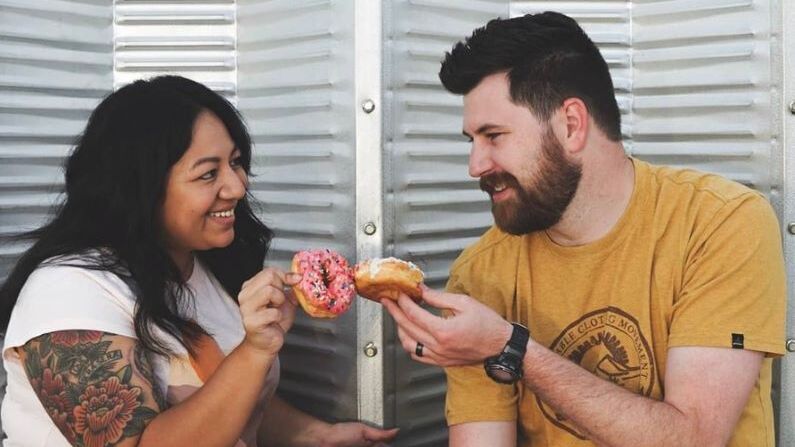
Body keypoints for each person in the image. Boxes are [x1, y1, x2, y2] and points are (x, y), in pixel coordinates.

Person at [382, 11, 786, 447]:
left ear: (571, 125)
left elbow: (694, 438)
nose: (475, 166)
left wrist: (509, 347)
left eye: (494, 136)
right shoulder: (481, 274)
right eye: (471, 141)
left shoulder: (719, 223)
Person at [0, 75, 397, 447]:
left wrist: (317, 435)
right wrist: (255, 350)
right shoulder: (69, 291)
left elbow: (227, 394)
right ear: (141, 187)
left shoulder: (201, 266)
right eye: (209, 174)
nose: (238, 186)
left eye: (236, 162)